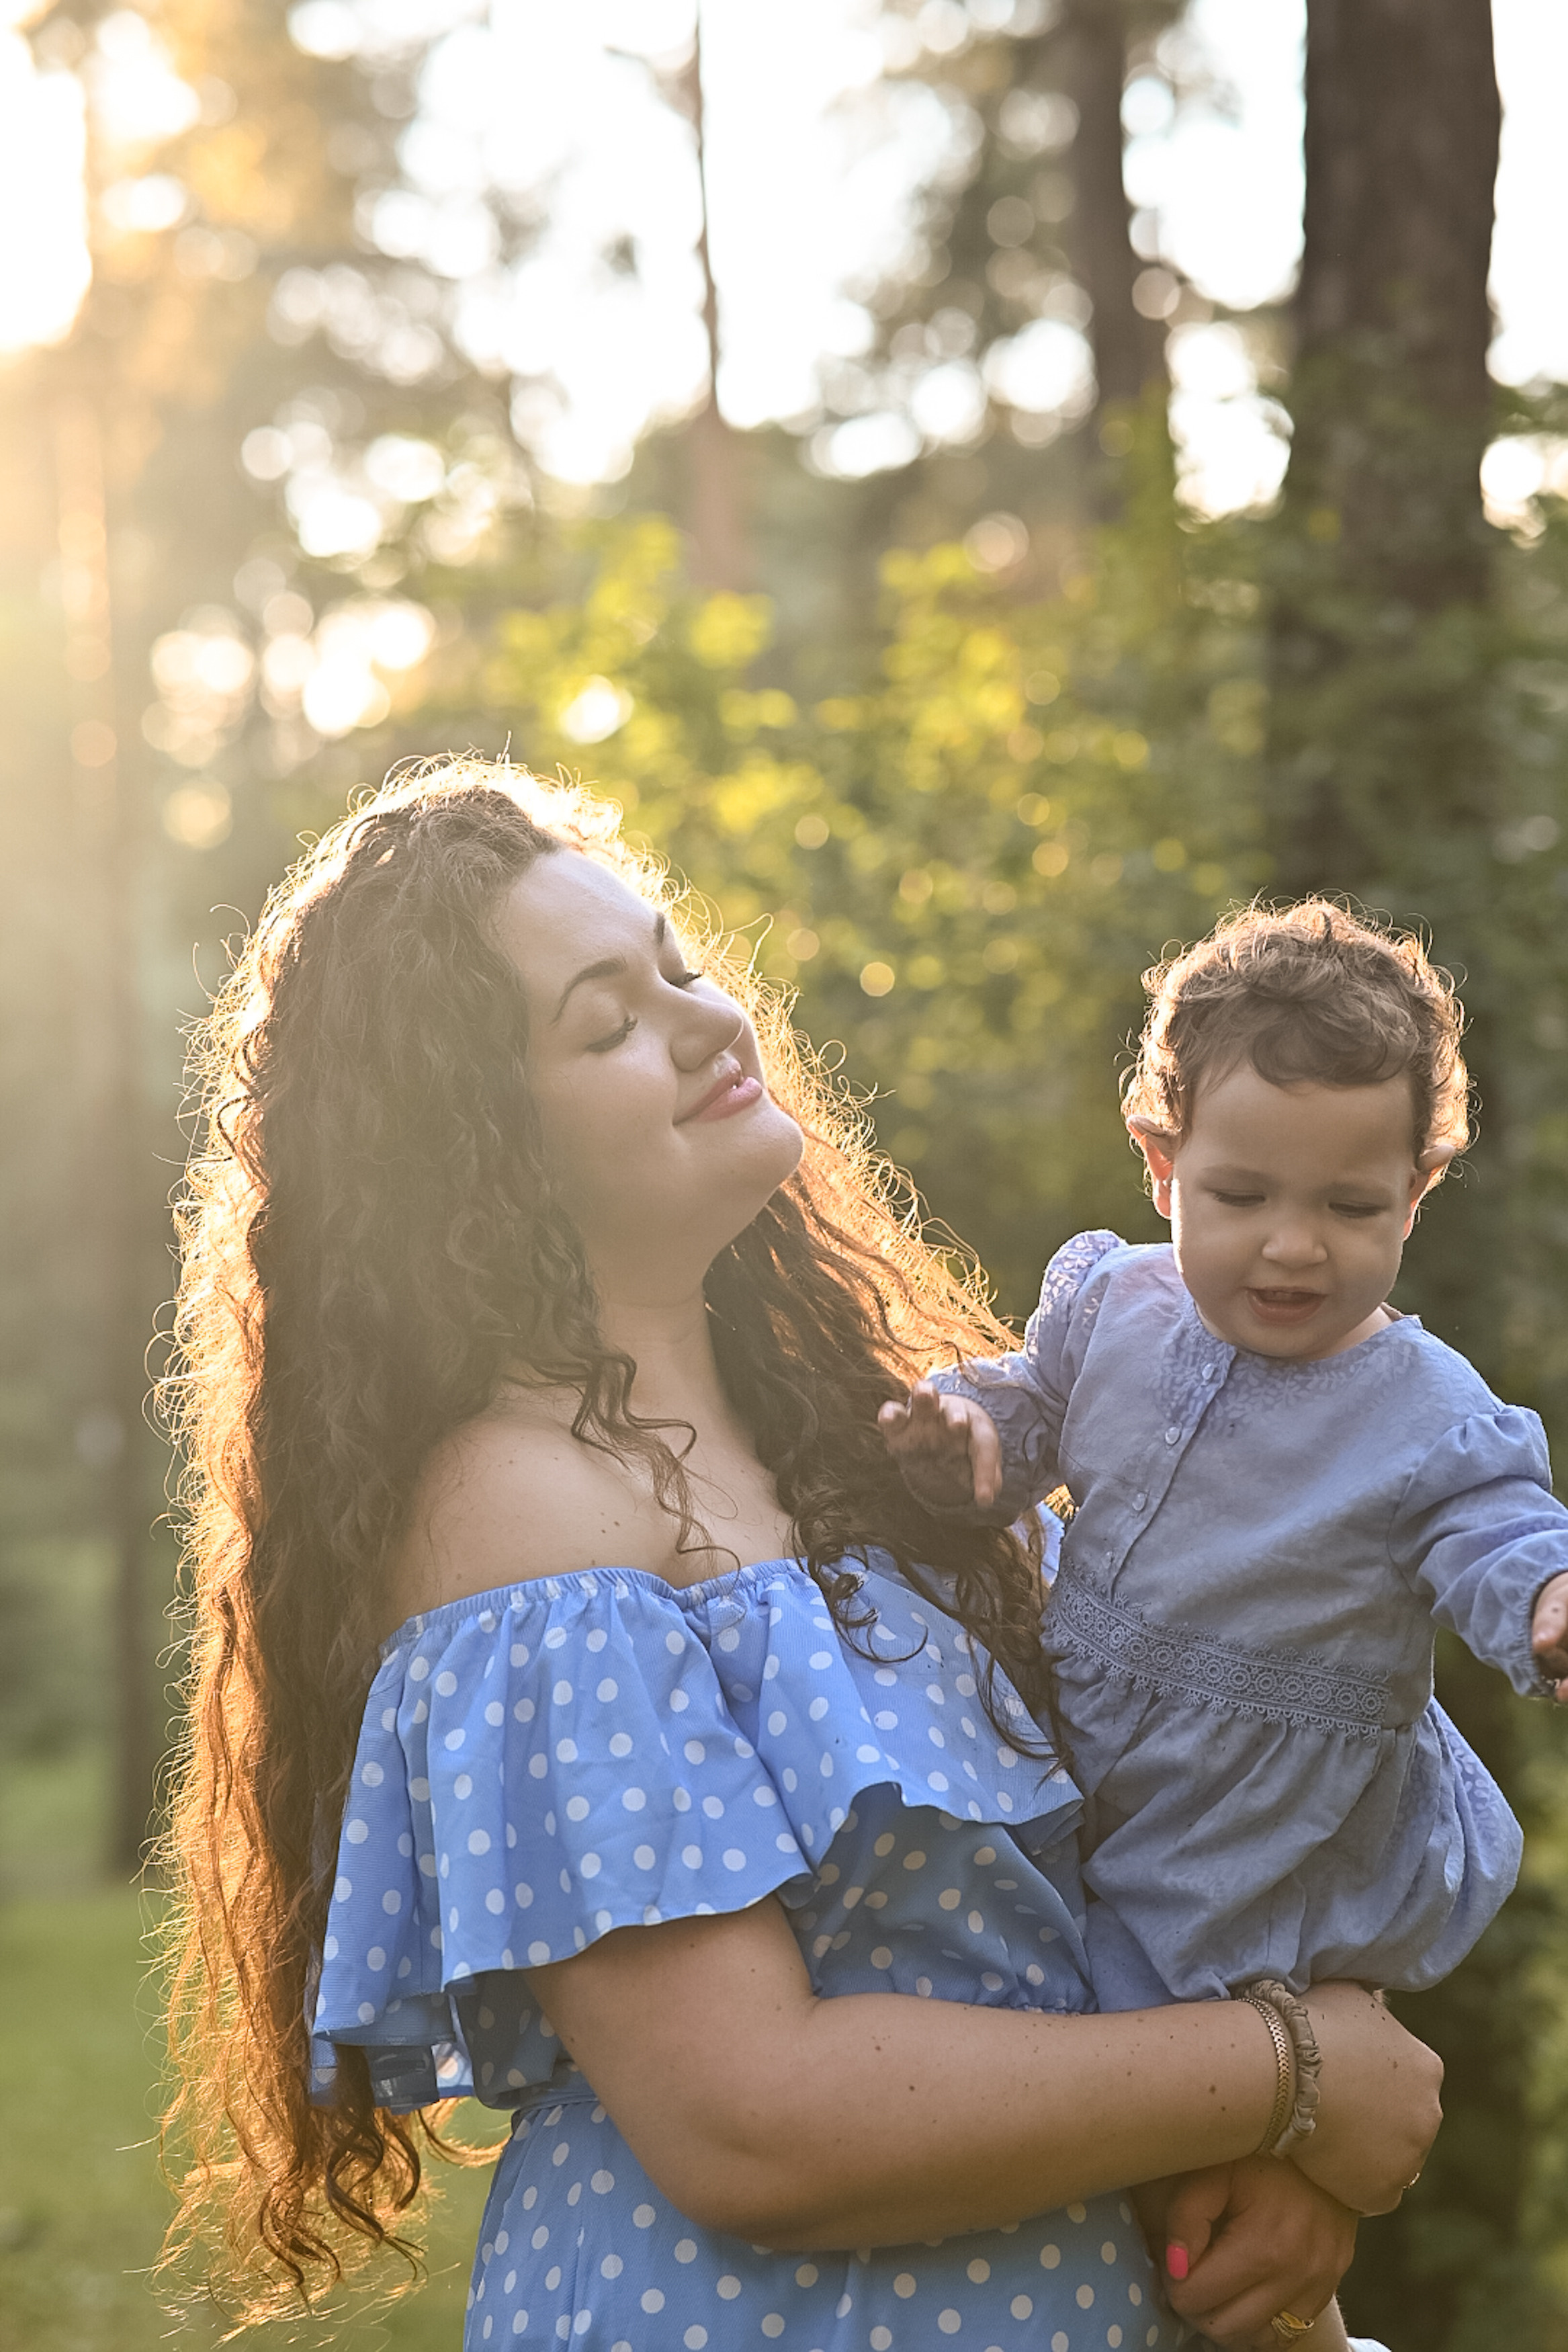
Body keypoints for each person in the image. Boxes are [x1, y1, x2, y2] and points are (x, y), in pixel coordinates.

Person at [159, 773, 1438, 2352]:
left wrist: (1278, 2141)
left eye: (679, 967)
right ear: (478, 1150)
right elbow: (754, 2119)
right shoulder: (519, 1516)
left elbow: (1200, 1798)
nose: (706, 1026)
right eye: (605, 1020)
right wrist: (1293, 2069)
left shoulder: (880, 1448)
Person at [883, 901, 1568, 2015]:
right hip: (1074, 1741)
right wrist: (963, 1444)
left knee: (1133, 2025)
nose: (1292, 1244)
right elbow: (1030, 1411)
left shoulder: (1426, 1407)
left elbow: (1492, 1523)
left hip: (1246, 1832)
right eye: (1240, 1196)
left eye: (1349, 1207)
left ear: (1414, 1194)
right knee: (996, 1968)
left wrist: (1545, 1594)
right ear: (1163, 1167)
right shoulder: (1114, 1302)